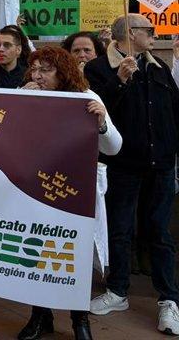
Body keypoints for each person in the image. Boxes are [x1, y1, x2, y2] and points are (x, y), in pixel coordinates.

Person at [15, 46, 121, 340]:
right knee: (37, 251)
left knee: (74, 255)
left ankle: (79, 320)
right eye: (34, 69)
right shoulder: (27, 95)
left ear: (63, 73)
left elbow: (114, 147)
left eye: (45, 70)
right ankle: (40, 315)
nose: (37, 76)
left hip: (74, 192)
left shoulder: (87, 99)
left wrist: (101, 125)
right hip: (35, 188)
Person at [84, 14, 179, 334]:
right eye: (148, 30)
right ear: (129, 34)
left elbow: (173, 110)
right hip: (123, 165)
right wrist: (119, 81)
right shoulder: (98, 68)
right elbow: (98, 113)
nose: (154, 34)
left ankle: (169, 300)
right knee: (120, 230)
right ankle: (118, 290)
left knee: (160, 233)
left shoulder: (159, 67)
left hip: (161, 164)